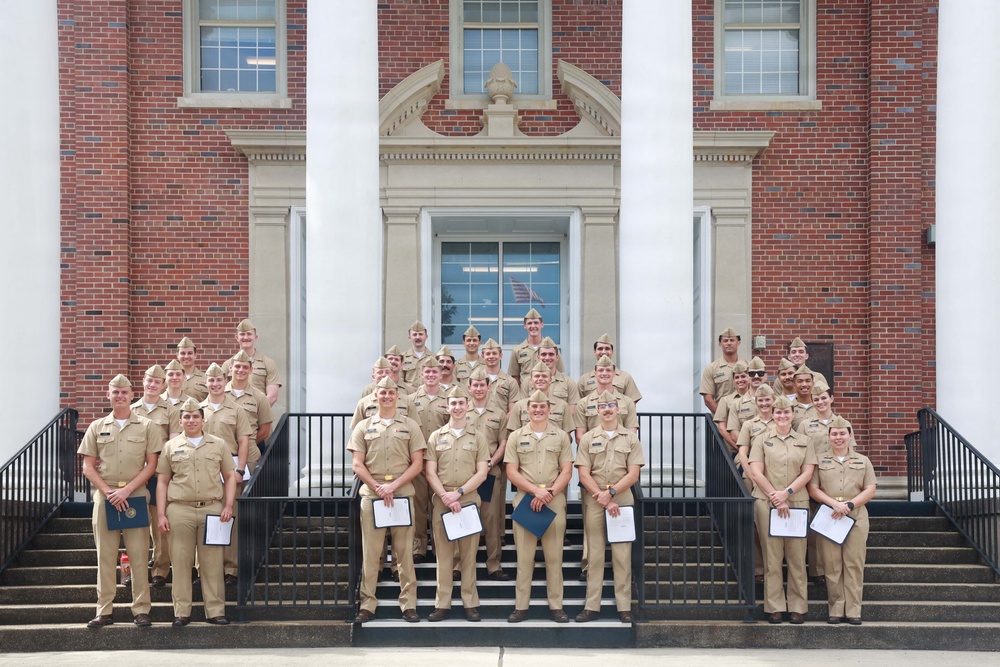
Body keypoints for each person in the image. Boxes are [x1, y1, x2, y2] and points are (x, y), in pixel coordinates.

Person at [78, 374, 163, 628]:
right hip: (106, 497)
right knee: (105, 556)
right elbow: (88, 467)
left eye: (124, 392)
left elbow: (152, 465)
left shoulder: (147, 426)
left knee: (139, 555)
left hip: (134, 496)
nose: (120, 396)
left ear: (132, 395)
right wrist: (108, 492)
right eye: (115, 392)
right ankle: (104, 611)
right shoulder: (97, 426)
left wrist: (126, 491)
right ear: (108, 395)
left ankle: (141, 610)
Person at [348, 377, 427, 623]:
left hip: (401, 493)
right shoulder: (364, 426)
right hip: (373, 496)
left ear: (398, 396)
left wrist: (393, 486)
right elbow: (357, 464)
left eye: (391, 392)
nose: (387, 396)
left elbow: (417, 463)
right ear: (375, 395)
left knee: (404, 553)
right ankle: (367, 604)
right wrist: (379, 487)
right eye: (382, 392)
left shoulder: (410, 425)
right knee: (371, 553)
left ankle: (408, 604)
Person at [155, 397, 237, 626]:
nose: (191, 420)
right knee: (181, 562)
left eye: (195, 416)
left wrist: (229, 505)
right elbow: (162, 481)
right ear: (180, 421)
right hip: (179, 510)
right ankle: (181, 612)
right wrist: (161, 514)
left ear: (203, 420)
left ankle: (216, 611)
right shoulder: (171, 446)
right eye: (187, 417)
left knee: (212, 563)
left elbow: (230, 476)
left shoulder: (218, 444)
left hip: (212, 508)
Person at [504, 390, 574, 624]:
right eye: (534, 406)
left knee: (554, 558)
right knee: (524, 559)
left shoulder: (561, 436)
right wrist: (536, 491)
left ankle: (557, 607)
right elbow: (511, 471)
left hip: (553, 499)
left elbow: (566, 471)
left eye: (542, 406)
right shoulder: (516, 436)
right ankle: (521, 607)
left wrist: (549, 493)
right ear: (527, 410)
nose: (538, 410)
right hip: (526, 500)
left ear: (549, 409)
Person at [574, 391, 644, 623]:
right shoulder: (588, 438)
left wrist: (611, 494)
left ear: (618, 409)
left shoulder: (631, 438)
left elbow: (633, 474)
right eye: (602, 406)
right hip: (595, 498)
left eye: (611, 405)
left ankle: (624, 606)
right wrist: (602, 496)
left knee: (622, 555)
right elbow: (583, 473)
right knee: (594, 555)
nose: (607, 409)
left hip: (621, 499)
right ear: (597, 411)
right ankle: (591, 606)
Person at [749, 396, 818, 624]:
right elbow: (756, 472)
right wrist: (776, 497)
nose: (782, 416)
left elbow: (807, 472)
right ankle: (775, 607)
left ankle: (798, 607)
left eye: (786, 412)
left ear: (793, 414)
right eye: (778, 412)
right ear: (773, 414)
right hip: (767, 502)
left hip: (797, 502)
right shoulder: (761, 439)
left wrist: (786, 493)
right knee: (772, 557)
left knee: (797, 557)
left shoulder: (805, 441)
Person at [424, 387, 490, 622]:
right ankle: (442, 603)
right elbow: (430, 472)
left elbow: (482, 472)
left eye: (461, 403)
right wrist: (445, 496)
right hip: (443, 502)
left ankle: (470, 603)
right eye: (453, 403)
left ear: (468, 405)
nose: (457, 407)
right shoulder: (436, 436)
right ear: (447, 406)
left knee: (469, 556)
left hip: (468, 500)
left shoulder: (478, 437)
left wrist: (459, 493)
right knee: (443, 556)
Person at [807, 416, 876, 625]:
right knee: (831, 564)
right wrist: (833, 504)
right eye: (834, 434)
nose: (838, 437)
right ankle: (836, 609)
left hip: (855, 517)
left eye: (842, 433)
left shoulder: (863, 460)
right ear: (829, 437)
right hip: (829, 516)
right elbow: (813, 488)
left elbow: (870, 489)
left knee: (854, 564)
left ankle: (854, 610)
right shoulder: (819, 460)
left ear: (850, 435)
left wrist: (849, 505)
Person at [200, 362, 256, 584]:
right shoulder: (197, 410)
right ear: (205, 382)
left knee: (229, 518)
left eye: (219, 380)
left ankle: (230, 568)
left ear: (226, 382)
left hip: (229, 468)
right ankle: (204, 569)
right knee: (203, 518)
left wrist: (240, 469)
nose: (215, 384)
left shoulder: (237, 410)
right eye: (211, 380)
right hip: (202, 468)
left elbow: (243, 442)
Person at [130, 365, 181, 589]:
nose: (152, 385)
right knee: (136, 525)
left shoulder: (171, 410)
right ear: (143, 381)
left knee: (160, 523)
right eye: (149, 380)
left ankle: (160, 570)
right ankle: (138, 571)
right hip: (134, 475)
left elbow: (173, 443)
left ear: (163, 385)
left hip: (158, 473)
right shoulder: (131, 410)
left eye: (157, 382)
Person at [466, 367, 510, 580]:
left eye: (482, 385)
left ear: (488, 387)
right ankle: (461, 564)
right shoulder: (461, 410)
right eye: (475, 385)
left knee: (491, 520)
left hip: (490, 472)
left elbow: (503, 443)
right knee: (465, 517)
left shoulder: (498, 414)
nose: (478, 388)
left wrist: (491, 462)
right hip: (466, 475)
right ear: (469, 388)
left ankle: (494, 564)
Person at [407, 356, 450, 563]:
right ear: (421, 374)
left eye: (435, 372)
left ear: (441, 375)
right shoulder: (411, 399)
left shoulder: (449, 399)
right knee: (418, 504)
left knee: (439, 503)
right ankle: (419, 547)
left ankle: (439, 545)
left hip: (441, 462)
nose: (431, 375)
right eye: (428, 372)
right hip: (418, 461)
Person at [574, 355, 638, 442]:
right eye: (601, 370)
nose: (604, 373)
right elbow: (580, 436)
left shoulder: (627, 402)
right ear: (595, 373)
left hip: (620, 448)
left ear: (614, 374)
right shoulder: (583, 403)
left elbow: (631, 433)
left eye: (608, 370)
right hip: (593, 448)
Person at [220, 319, 281, 407]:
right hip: (233, 414)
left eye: (249, 334)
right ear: (237, 338)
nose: (245, 337)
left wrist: (254, 411)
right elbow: (220, 392)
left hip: (258, 413)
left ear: (255, 338)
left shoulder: (268, 363)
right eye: (242, 334)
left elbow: (272, 396)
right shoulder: (228, 364)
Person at [507, 362, 576, 436]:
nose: (540, 379)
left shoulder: (563, 406)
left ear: (550, 380)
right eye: (537, 376)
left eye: (544, 376)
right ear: (531, 380)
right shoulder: (519, 406)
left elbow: (566, 437)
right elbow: (514, 436)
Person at [226, 350, 274, 446]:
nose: (241, 370)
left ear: (251, 370)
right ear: (230, 368)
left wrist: (245, 445)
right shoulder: (220, 395)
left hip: (250, 450)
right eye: (237, 366)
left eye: (245, 367)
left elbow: (265, 431)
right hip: (224, 451)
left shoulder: (260, 397)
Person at [578, 333, 643, 403]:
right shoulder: (584, 379)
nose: (604, 352)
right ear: (594, 352)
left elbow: (631, 405)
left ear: (612, 352)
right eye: (600, 349)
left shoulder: (626, 378)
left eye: (607, 349)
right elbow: (578, 405)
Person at [352, 358, 412, 429]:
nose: (384, 375)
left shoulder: (407, 401)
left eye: (387, 372)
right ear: (373, 377)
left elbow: (414, 427)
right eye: (380, 372)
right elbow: (357, 430)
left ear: (392, 375)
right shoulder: (363, 403)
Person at [508, 308, 564, 381]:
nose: (533, 326)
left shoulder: (552, 349)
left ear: (542, 325)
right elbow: (515, 378)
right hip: (526, 388)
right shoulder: (517, 351)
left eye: (536, 323)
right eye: (530, 323)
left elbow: (559, 374)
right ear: (525, 326)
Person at [699, 327, 745, 414]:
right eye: (725, 341)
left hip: (746, 417)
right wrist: (722, 418)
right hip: (723, 418)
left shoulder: (748, 367)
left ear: (738, 343)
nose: (729, 343)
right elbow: (708, 399)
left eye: (732, 340)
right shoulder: (711, 368)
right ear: (720, 344)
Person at [534, 337, 580, 412]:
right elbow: (523, 407)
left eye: (551, 354)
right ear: (538, 357)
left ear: (557, 357)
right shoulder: (528, 382)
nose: (547, 358)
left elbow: (572, 411)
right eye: (544, 354)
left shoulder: (568, 383)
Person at [713, 361, 751, 454]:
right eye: (737, 377)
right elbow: (722, 429)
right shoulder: (725, 400)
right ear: (733, 380)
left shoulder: (756, 399)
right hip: (734, 451)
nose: (740, 380)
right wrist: (740, 448)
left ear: (749, 378)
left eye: (743, 376)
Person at [478, 338, 520, 412]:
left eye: (494, 353)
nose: (491, 356)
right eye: (488, 354)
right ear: (482, 356)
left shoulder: (510, 382)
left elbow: (512, 411)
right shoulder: (475, 381)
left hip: (503, 419)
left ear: (500, 356)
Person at [176, 336, 208, 402]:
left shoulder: (205, 378)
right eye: (183, 353)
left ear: (195, 355)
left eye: (190, 353)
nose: (186, 356)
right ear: (177, 355)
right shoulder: (168, 379)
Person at [401, 320, 433, 386]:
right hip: (408, 392)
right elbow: (400, 380)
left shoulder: (434, 358)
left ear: (426, 337)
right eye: (414, 334)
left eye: (420, 334)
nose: (418, 337)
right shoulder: (402, 357)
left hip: (427, 391)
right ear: (409, 338)